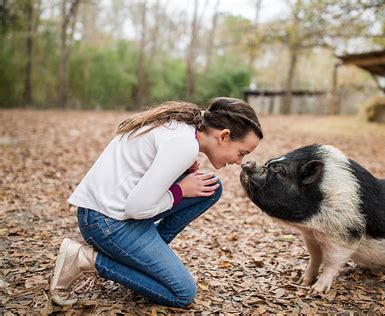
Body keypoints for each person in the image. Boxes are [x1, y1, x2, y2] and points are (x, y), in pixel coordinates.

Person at [50, 97, 263, 307]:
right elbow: (138, 207)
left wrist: (180, 172)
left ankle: (140, 264)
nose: (238, 162)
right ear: (224, 136)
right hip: (106, 223)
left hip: (107, 213)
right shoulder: (184, 144)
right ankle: (85, 259)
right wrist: (179, 190)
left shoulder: (183, 129)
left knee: (210, 188)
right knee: (182, 293)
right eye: (241, 153)